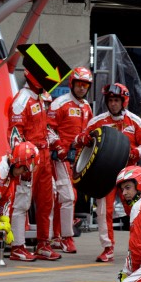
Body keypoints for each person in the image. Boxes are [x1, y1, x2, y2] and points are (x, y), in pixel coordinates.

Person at [73, 83, 141, 262]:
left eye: (117, 100)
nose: (113, 104)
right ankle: (107, 248)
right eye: (110, 100)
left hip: (130, 173)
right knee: (103, 210)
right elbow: (78, 140)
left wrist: (135, 152)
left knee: (136, 209)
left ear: (124, 101)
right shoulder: (97, 121)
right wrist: (84, 139)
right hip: (105, 174)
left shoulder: (135, 121)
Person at [7, 69, 61, 261]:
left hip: (45, 156)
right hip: (30, 158)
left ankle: (43, 244)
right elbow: (14, 133)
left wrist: (53, 139)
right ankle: (17, 246)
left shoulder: (40, 97)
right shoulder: (22, 99)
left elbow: (43, 127)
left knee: (47, 201)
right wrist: (22, 159)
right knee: (22, 202)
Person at [47, 66, 94, 254]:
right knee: (68, 197)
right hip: (61, 157)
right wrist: (58, 147)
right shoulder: (59, 103)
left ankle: (56, 235)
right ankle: (67, 237)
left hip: (79, 160)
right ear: (72, 84)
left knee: (64, 198)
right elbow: (48, 129)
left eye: (86, 85)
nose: (82, 88)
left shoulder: (87, 107)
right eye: (79, 84)